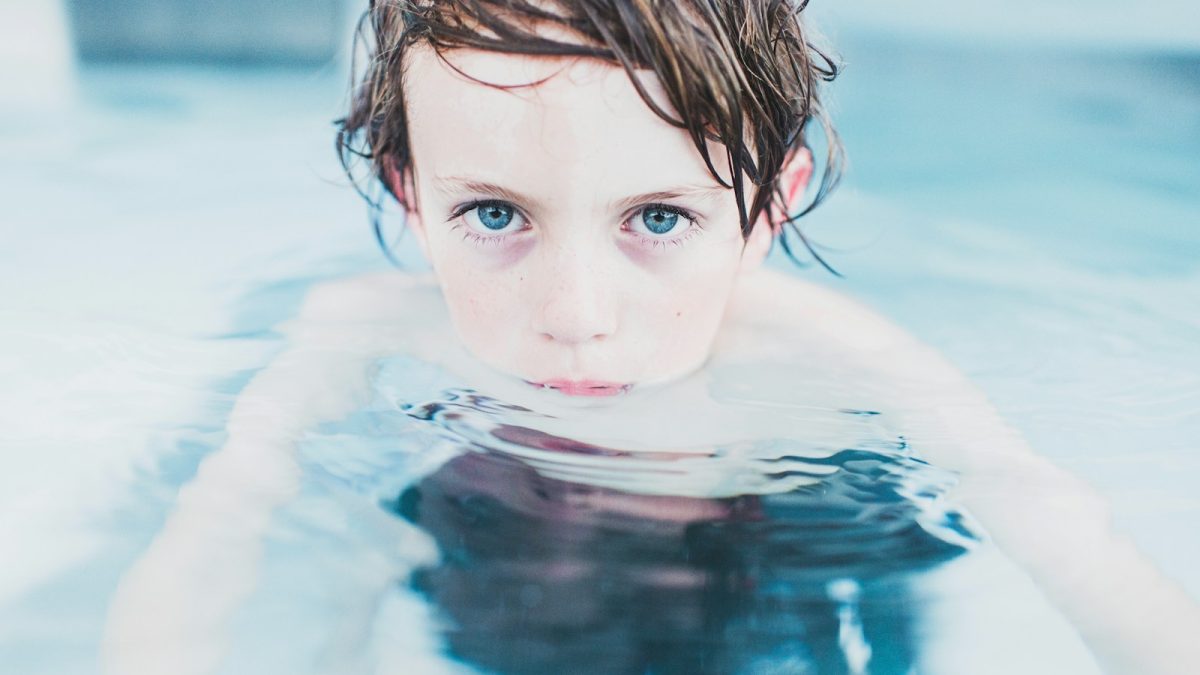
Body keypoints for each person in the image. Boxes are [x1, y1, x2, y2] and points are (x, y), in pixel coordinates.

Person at [103, 1, 1200, 673]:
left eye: (659, 220)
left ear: (771, 206)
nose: (577, 315)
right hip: (502, 566)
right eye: (495, 214)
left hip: (777, 541)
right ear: (406, 190)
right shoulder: (355, 326)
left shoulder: (833, 356)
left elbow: (1058, 526)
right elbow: (224, 524)